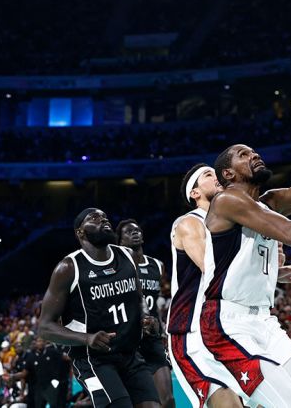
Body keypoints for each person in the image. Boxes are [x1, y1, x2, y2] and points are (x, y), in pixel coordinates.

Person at [194, 144, 291, 407]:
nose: (254, 155)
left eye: (254, 152)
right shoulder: (226, 201)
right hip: (228, 323)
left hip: (263, 320)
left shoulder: (267, 203)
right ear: (228, 175)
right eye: (243, 155)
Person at [36, 207, 159, 408]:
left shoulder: (128, 256)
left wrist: (146, 317)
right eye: (94, 218)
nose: (103, 219)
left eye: (105, 217)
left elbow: (139, 297)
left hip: (130, 354)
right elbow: (45, 327)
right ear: (80, 232)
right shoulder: (68, 268)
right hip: (93, 361)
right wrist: (87, 338)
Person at [166, 164, 242, 408]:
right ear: (195, 193)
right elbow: (212, 270)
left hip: (223, 327)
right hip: (191, 330)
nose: (217, 177)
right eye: (209, 175)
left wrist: (274, 270)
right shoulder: (189, 223)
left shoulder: (230, 226)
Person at [117, 219, 174, 408]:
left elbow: (157, 300)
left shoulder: (157, 265)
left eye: (137, 230)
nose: (135, 233)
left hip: (152, 338)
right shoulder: (117, 267)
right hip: (129, 341)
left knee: (168, 400)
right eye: (128, 232)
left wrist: (161, 325)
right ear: (120, 241)